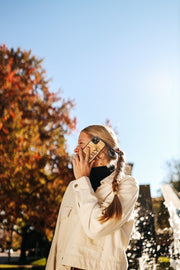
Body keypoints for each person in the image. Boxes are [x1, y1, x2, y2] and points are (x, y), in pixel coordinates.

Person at [45, 125, 139, 270]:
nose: (76, 150)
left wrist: (83, 180)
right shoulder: (73, 187)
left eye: (81, 144)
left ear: (99, 151)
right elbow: (58, 240)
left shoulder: (127, 185)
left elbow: (97, 227)